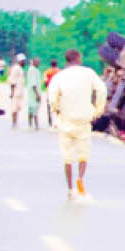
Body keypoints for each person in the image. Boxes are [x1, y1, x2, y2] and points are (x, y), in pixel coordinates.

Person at [48, 49, 107, 199]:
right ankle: (80, 178)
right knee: (83, 154)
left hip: (66, 121)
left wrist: (57, 110)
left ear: (66, 59)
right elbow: (102, 90)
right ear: (78, 58)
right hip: (84, 121)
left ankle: (70, 188)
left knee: (67, 157)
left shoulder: (59, 77)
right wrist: (97, 110)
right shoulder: (89, 73)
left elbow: (52, 97)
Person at [8, 53, 26, 127]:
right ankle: (14, 122)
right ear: (20, 61)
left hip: (20, 91)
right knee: (14, 108)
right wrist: (12, 92)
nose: (24, 62)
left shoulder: (20, 68)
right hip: (16, 92)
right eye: (23, 61)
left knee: (17, 108)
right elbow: (13, 80)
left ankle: (15, 122)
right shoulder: (16, 68)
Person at [25, 56, 42, 129]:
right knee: (34, 111)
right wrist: (37, 94)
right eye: (37, 62)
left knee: (31, 110)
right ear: (34, 62)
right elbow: (33, 84)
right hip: (34, 94)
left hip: (32, 94)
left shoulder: (34, 70)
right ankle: (36, 126)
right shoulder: (32, 70)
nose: (38, 63)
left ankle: (30, 125)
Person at [43, 57, 60, 127]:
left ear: (50, 64)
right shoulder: (60, 71)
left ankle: (50, 122)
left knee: (49, 106)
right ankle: (58, 121)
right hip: (58, 91)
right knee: (59, 106)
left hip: (50, 90)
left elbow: (45, 82)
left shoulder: (47, 72)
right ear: (56, 64)